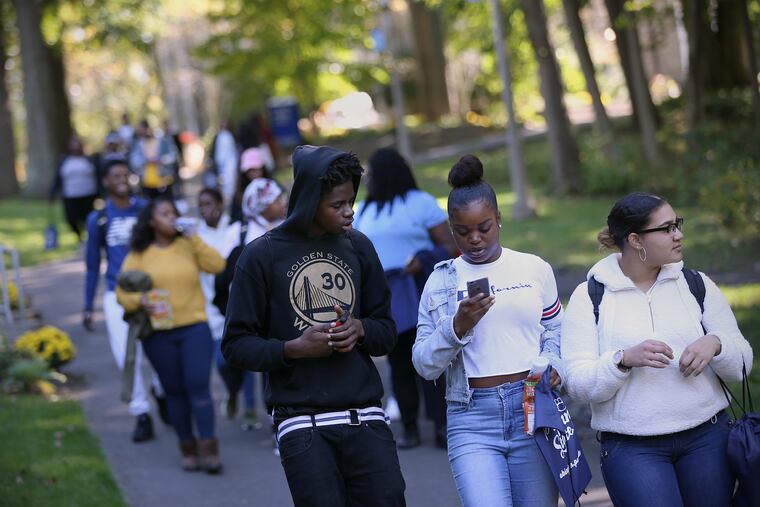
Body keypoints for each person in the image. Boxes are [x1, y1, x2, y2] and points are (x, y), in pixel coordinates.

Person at [222, 146, 406, 506]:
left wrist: (361, 330)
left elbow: (386, 331)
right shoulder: (261, 255)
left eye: (352, 200)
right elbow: (235, 345)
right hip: (301, 423)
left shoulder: (358, 247)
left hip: (365, 417)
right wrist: (293, 349)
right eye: (337, 204)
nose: (349, 211)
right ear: (309, 200)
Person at [561, 192, 754, 507]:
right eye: (666, 229)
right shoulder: (590, 296)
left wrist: (716, 343)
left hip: (708, 439)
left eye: (677, 224)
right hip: (632, 450)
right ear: (636, 240)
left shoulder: (696, 284)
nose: (678, 234)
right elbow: (578, 384)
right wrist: (622, 360)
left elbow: (743, 364)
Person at [412, 154, 563, 506]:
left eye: (484, 228)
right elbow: (423, 363)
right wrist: (457, 327)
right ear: (451, 229)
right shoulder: (440, 281)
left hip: (531, 407)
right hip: (471, 417)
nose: (475, 239)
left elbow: (555, 330)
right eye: (463, 232)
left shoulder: (533, 269)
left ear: (499, 219)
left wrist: (554, 366)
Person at [354, 147, 456, 449]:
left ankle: (440, 425)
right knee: (398, 362)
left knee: (429, 361)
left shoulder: (421, 203)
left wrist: (421, 260)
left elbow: (451, 245)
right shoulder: (366, 210)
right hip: (385, 295)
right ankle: (410, 427)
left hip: (420, 290)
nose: (368, 177)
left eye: (372, 171)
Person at [116, 197, 226, 473]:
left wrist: (195, 238)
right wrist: (140, 302)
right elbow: (121, 292)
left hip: (194, 327)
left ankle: (209, 449)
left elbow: (217, 265)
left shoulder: (188, 244)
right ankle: (187, 447)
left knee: (198, 386)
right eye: (164, 213)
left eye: (173, 212)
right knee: (174, 391)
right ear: (152, 221)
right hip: (158, 333)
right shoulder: (139, 254)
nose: (171, 217)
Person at [82, 158, 166, 442]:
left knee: (159, 349)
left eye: (124, 175)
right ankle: (141, 413)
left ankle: (161, 391)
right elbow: (93, 264)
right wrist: (87, 306)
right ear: (105, 181)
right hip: (116, 294)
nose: (120, 179)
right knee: (127, 356)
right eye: (114, 175)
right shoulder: (99, 218)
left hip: (152, 288)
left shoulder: (144, 210)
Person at [196, 187, 259, 430]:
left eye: (209, 203)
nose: (205, 209)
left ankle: (251, 408)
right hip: (212, 310)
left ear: (221, 204)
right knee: (223, 362)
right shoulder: (195, 236)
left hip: (239, 305)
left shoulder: (235, 231)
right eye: (201, 205)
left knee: (247, 357)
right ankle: (233, 391)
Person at [49, 135, 100, 241]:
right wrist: (52, 194)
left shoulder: (89, 160)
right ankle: (79, 237)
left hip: (88, 195)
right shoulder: (64, 161)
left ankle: (90, 239)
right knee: (71, 218)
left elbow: (98, 175)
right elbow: (57, 178)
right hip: (70, 195)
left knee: (88, 218)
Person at [129, 120, 178, 200]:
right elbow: (134, 161)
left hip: (164, 179)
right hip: (147, 182)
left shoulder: (162, 140)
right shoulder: (139, 144)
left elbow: (172, 155)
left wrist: (161, 160)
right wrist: (146, 161)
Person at [229, 147, 268, 223]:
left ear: (262, 168)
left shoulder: (272, 186)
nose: (253, 173)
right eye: (249, 170)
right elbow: (234, 218)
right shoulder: (239, 194)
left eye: (256, 169)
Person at [213, 120, 239, 204]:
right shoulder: (219, 136)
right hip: (222, 163)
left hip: (230, 162)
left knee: (231, 181)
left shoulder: (229, 135)